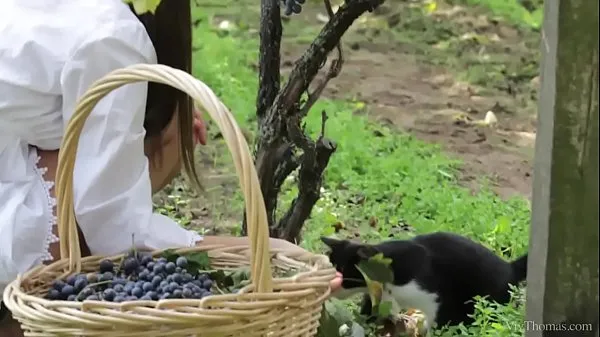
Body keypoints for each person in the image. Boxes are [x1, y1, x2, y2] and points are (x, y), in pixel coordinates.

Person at [0, 0, 342, 334]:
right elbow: (114, 228)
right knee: (88, 214)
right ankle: (30, 320)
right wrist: (260, 251)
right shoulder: (112, 33)